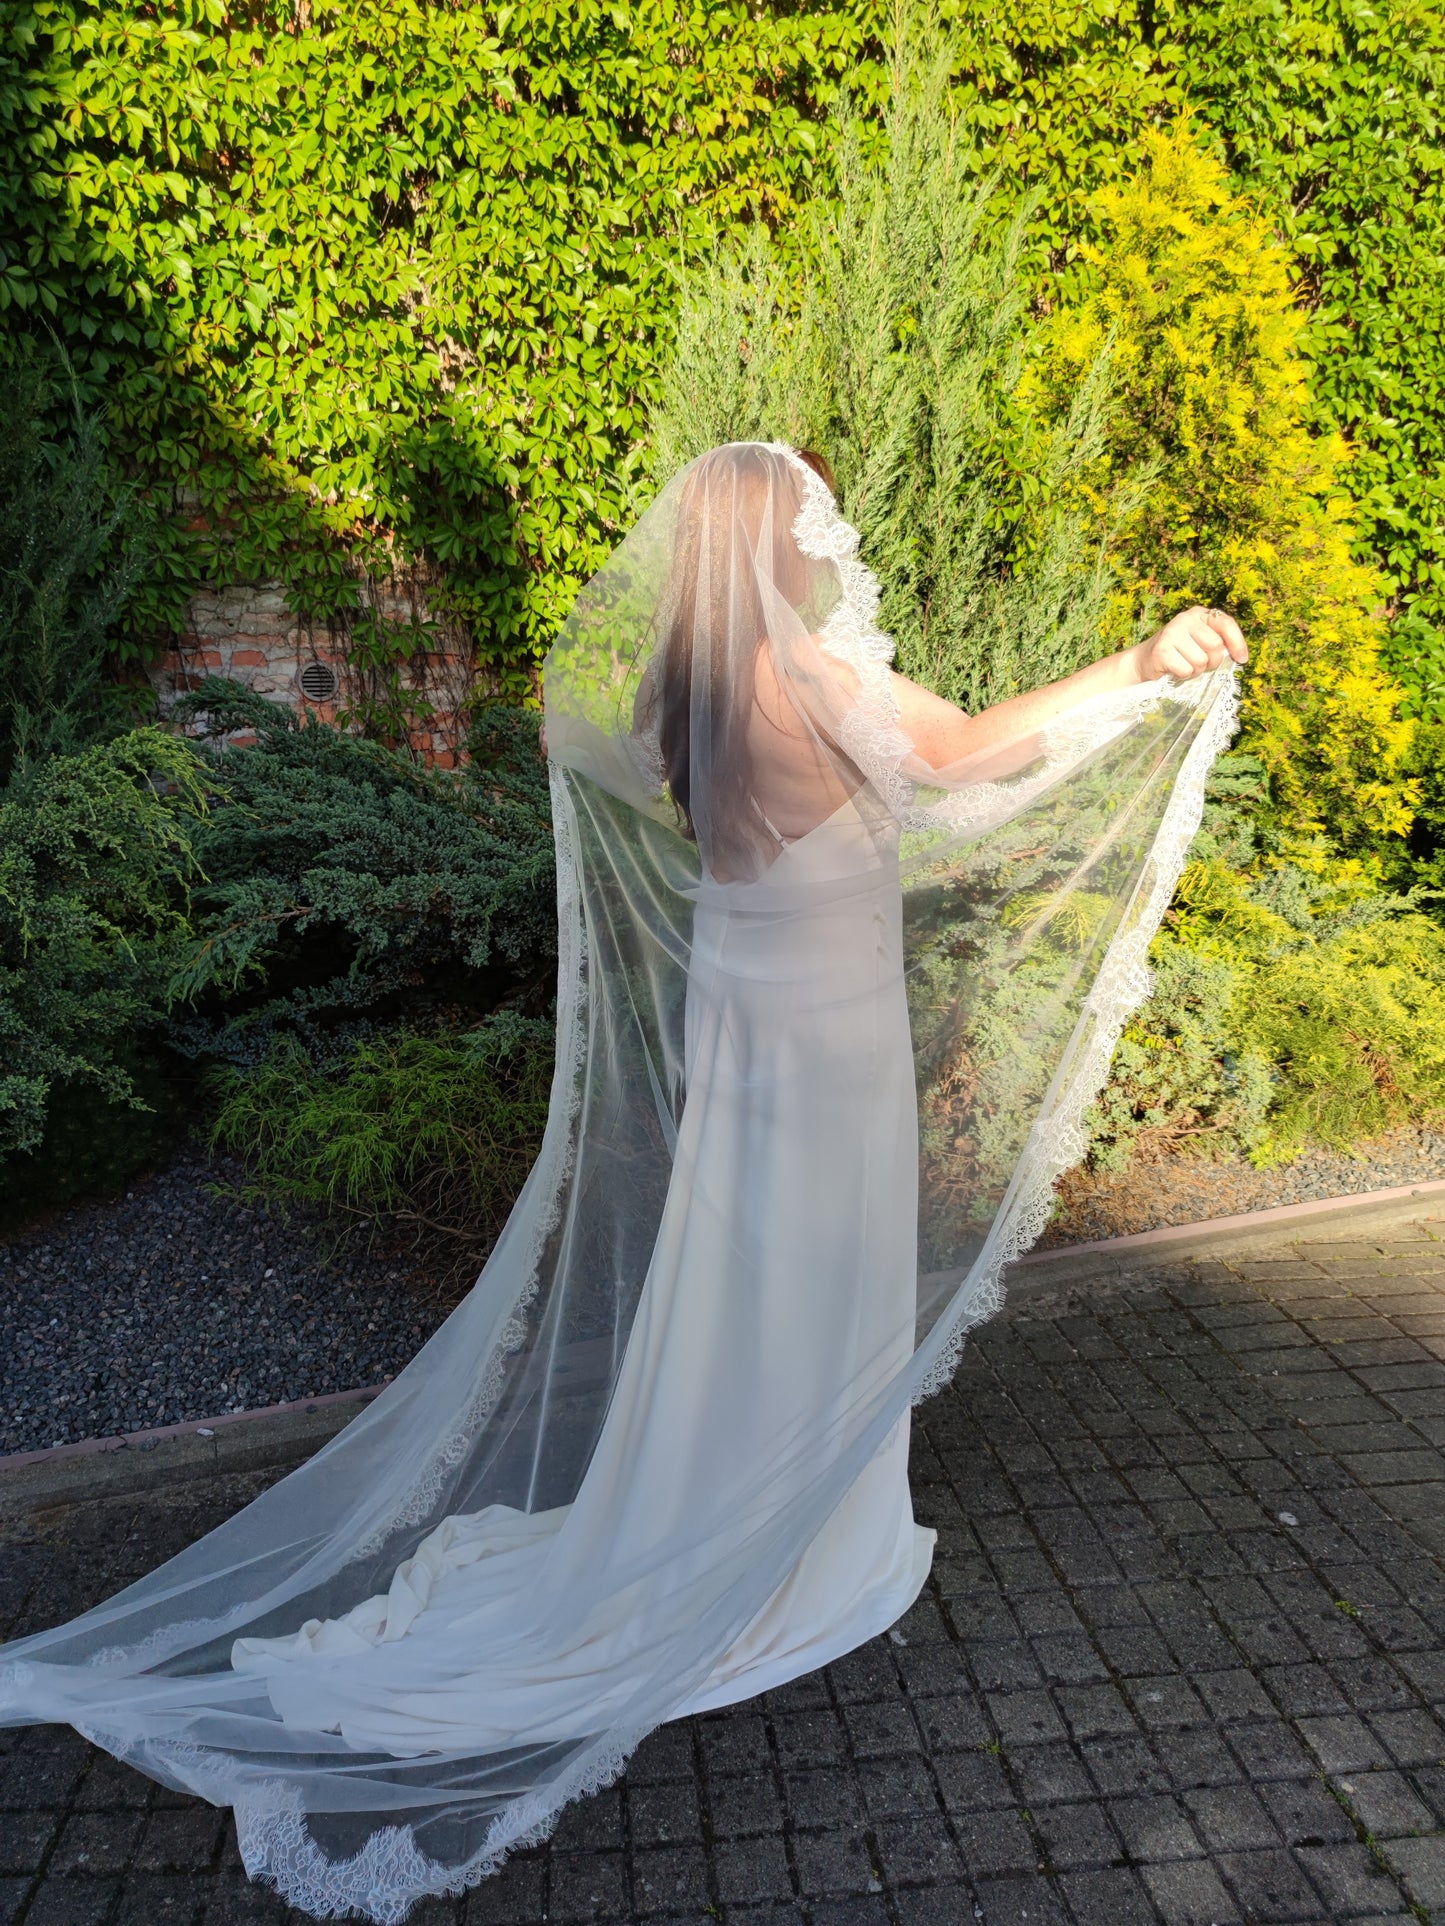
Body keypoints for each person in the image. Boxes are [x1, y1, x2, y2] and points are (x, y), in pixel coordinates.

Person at [0, 443, 1243, 1925]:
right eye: (812, 522)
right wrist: (1134, 662)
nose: (823, 546)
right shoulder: (807, 672)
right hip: (824, 1033)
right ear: (778, 538)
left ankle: (729, 1484)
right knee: (811, 1265)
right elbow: (967, 752)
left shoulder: (692, 690)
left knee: (751, 1264)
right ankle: (779, 1537)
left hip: (751, 1014)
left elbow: (767, 804)